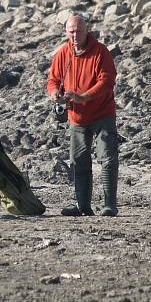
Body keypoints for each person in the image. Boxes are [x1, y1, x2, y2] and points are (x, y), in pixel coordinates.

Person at [47, 14, 119, 216]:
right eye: (71, 31)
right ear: (66, 31)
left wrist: (83, 97)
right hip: (77, 117)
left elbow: (107, 82)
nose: (74, 35)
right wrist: (55, 94)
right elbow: (53, 79)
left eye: (78, 30)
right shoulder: (64, 53)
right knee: (79, 160)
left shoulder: (100, 52)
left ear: (87, 30)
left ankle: (109, 205)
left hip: (102, 113)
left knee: (108, 158)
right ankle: (83, 206)